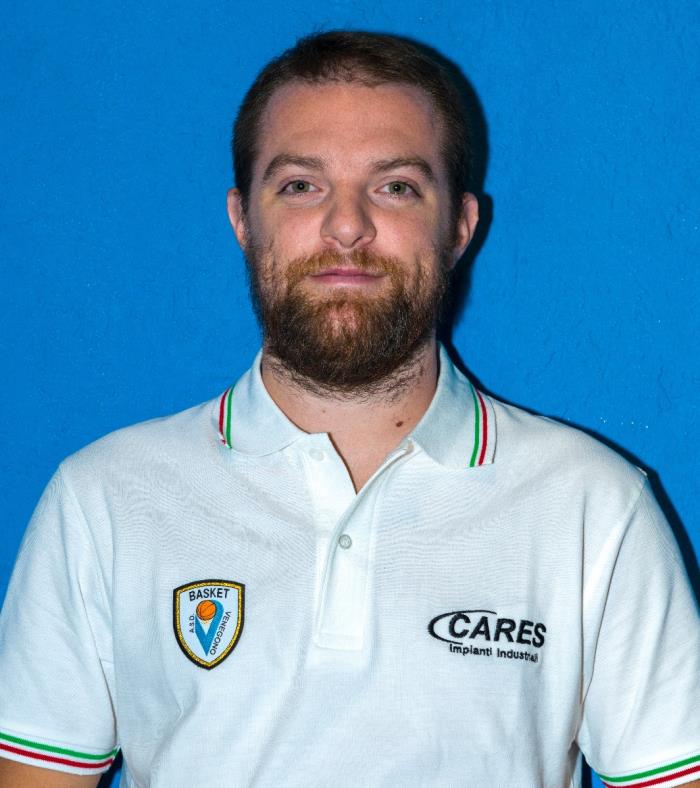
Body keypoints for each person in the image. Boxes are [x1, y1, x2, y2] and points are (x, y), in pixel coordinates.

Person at [0, 29, 698, 788]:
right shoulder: (105, 499)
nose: (345, 225)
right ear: (242, 218)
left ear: (460, 227)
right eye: (301, 185)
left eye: (395, 186)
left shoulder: (593, 506)